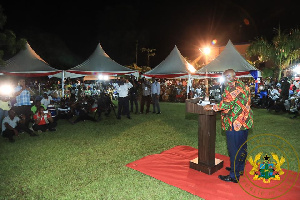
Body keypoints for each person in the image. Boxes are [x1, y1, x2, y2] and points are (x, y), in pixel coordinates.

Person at [204, 69, 253, 183]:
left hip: (234, 123)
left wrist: (212, 107)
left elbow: (227, 103)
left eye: (225, 77)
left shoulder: (230, 87)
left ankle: (233, 176)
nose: (225, 79)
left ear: (229, 77)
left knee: (234, 149)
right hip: (244, 122)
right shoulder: (242, 84)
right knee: (242, 147)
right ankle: (239, 169)